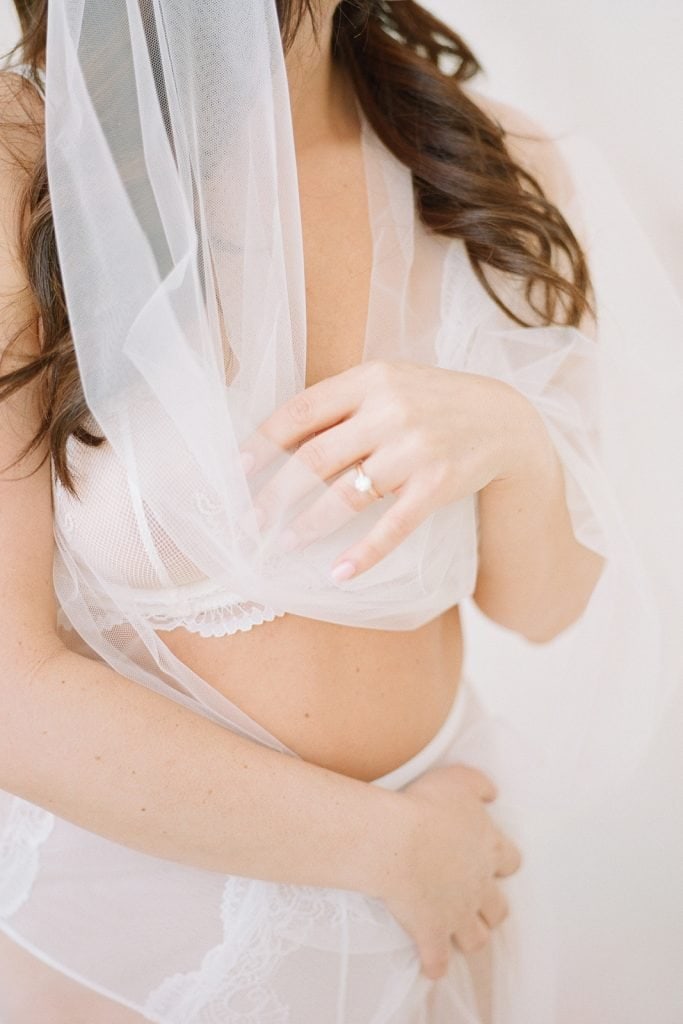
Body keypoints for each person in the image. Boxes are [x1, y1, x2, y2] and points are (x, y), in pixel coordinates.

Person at [0, 1, 681, 1022]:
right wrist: (390, 848)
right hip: (140, 939)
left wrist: (508, 442)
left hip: (431, 920)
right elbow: (12, 690)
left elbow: (540, 607)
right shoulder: (30, 158)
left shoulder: (491, 165)